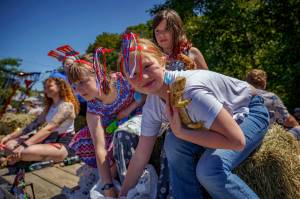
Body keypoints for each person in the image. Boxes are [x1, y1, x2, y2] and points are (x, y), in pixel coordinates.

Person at [118, 37, 270, 199]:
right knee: (172, 144)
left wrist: (182, 132)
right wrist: (122, 195)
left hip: (248, 110)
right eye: (133, 74)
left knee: (209, 171)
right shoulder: (152, 105)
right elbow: (140, 156)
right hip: (211, 124)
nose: (144, 77)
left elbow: (237, 142)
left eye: (147, 66)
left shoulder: (190, 91)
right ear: (128, 82)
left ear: (162, 61)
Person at [67, 48, 145, 198]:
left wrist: (129, 110)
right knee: (86, 138)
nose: (80, 89)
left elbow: (145, 94)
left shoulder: (121, 80)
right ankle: (109, 181)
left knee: (119, 137)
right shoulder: (92, 108)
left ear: (98, 74)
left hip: (138, 114)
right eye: (75, 85)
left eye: (83, 82)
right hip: (114, 128)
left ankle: (120, 183)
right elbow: (99, 146)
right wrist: (107, 185)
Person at [0, 77, 79, 165]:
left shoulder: (67, 106)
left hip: (63, 143)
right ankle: (15, 160)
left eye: (49, 86)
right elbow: (33, 125)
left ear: (60, 87)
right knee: (9, 145)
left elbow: (49, 128)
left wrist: (24, 145)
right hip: (47, 140)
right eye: (45, 87)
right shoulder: (49, 106)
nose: (46, 89)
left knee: (25, 151)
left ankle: (11, 160)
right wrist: (9, 136)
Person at [247, 69, 300, 139]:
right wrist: (296, 125)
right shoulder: (271, 97)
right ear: (264, 82)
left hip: (245, 135)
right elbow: (287, 119)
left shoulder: (241, 95)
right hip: (265, 137)